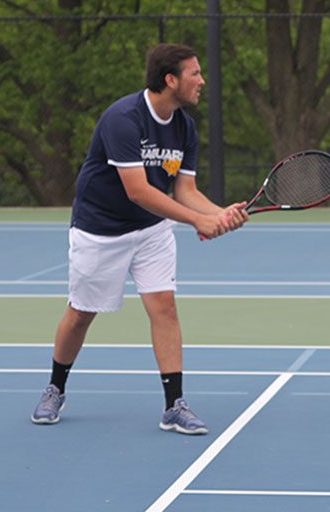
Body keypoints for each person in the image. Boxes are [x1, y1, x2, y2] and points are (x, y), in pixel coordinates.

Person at [31, 44, 248, 434]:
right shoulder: (123, 119)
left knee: (164, 306)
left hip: (151, 230)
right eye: (195, 73)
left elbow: (184, 190)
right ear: (171, 80)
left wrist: (219, 213)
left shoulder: (185, 127)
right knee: (81, 314)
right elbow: (139, 190)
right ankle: (55, 387)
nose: (202, 81)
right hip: (100, 228)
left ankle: (174, 405)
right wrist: (199, 221)